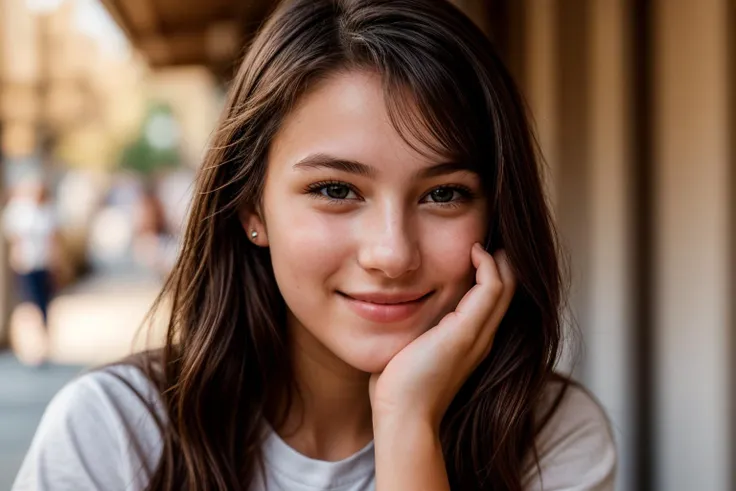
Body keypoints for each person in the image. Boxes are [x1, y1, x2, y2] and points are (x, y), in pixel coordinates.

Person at [12, 0, 616, 489]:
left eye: (443, 195)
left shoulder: (549, 436)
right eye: (335, 189)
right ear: (252, 208)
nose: (391, 253)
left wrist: (408, 425)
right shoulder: (114, 437)